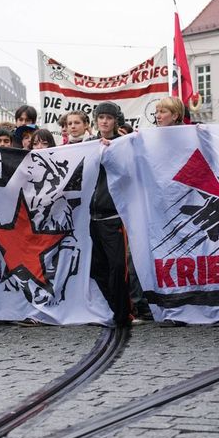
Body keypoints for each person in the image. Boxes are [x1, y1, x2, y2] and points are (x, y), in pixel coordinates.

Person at [88, 101, 132, 327]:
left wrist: (111, 152)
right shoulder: (88, 144)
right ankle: (109, 307)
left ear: (116, 121)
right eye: (101, 117)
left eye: (109, 117)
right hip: (90, 217)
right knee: (97, 268)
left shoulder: (122, 144)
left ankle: (123, 312)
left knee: (117, 267)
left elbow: (128, 172)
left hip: (114, 215)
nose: (104, 121)